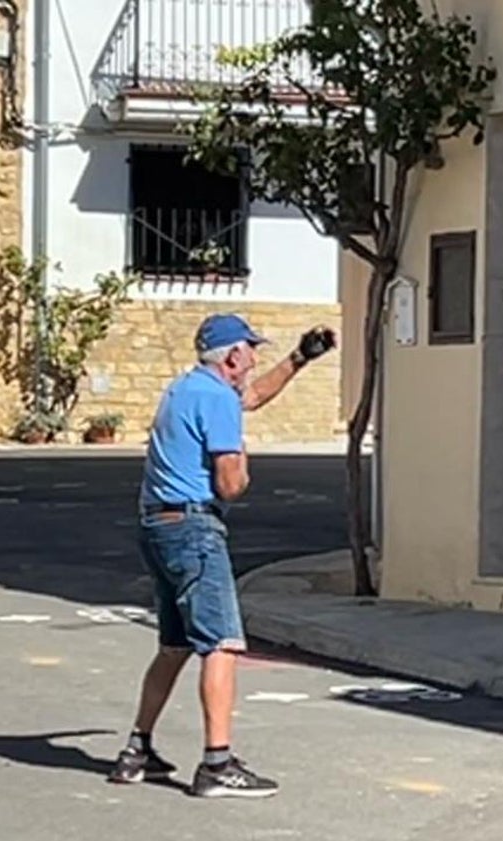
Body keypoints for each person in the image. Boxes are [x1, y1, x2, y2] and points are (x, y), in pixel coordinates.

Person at [107, 313, 336, 799]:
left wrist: (299, 359)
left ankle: (137, 749)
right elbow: (230, 485)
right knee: (223, 643)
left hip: (157, 525)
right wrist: (244, 463)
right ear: (232, 355)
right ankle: (217, 762)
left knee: (174, 644)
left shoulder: (186, 389)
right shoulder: (217, 402)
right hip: (194, 529)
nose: (255, 358)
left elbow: (250, 398)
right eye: (251, 349)